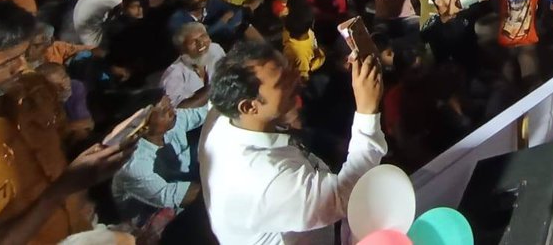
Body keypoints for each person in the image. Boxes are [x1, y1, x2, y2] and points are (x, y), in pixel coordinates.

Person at [0, 0, 132, 243]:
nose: (21, 68)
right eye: (4, 63)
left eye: (23, 55)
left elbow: (60, 146)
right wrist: (60, 191)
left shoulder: (34, 89)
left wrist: (97, 158)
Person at [199, 40, 386, 244]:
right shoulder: (263, 179)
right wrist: (367, 110)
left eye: (288, 68)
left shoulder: (222, 113)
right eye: (282, 82)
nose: (296, 78)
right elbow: (344, 196)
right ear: (249, 107)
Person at [112, 95, 207, 228]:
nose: (173, 111)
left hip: (183, 193)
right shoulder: (133, 165)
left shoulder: (171, 121)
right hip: (148, 225)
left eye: (170, 105)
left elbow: (205, 112)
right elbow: (175, 197)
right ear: (143, 126)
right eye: (165, 111)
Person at [162, 21, 226, 107]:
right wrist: (216, 86)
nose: (201, 43)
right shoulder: (174, 75)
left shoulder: (215, 49)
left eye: (203, 37)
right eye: (193, 42)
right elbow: (176, 109)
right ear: (182, 48)